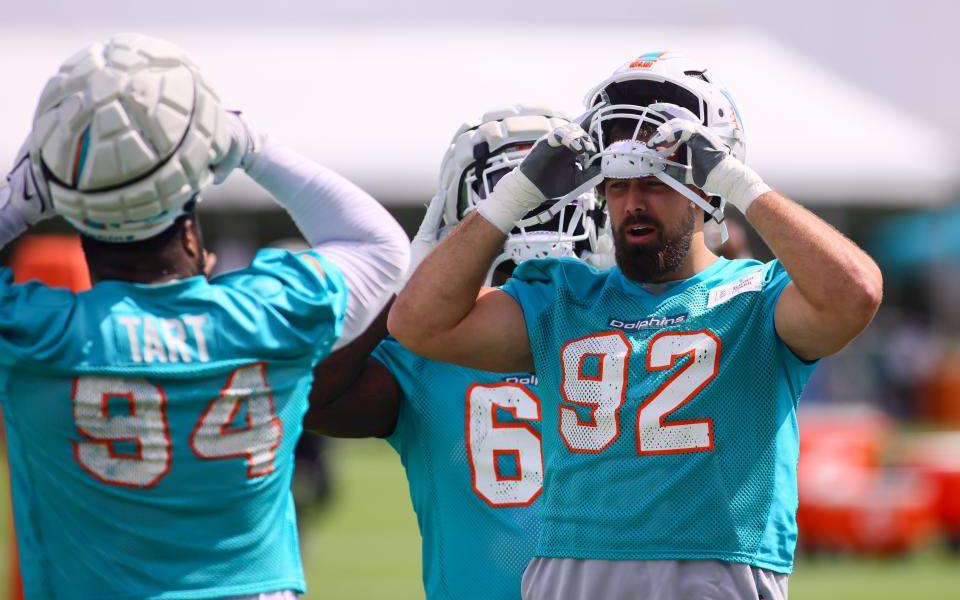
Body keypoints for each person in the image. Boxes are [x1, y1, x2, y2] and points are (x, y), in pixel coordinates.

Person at [389, 52, 883, 599]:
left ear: (706, 189)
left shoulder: (757, 296)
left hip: (717, 566)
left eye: (655, 183)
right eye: (617, 186)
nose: (632, 204)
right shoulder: (562, 295)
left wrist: (739, 184)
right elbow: (418, 325)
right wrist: (518, 192)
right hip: (575, 567)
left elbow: (854, 294)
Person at [0, 33, 409, 599]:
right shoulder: (267, 313)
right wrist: (246, 143)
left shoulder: (36, 335)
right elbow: (380, 245)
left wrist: (21, 198)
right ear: (190, 231)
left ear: (84, 241)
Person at [306, 105, 608, 599]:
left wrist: (406, 281)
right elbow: (310, 400)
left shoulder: (423, 353)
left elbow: (308, 396)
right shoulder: (633, 331)